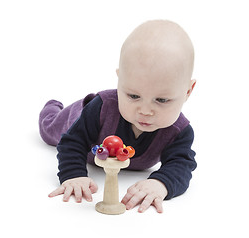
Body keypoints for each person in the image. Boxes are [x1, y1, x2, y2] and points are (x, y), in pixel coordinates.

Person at [39, 20, 197, 213]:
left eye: (162, 100)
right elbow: (72, 142)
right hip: (76, 118)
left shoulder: (179, 131)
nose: (145, 111)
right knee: (49, 130)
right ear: (120, 79)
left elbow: (181, 164)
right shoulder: (101, 108)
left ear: (188, 91)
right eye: (133, 96)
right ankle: (52, 107)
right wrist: (73, 175)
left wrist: (161, 183)